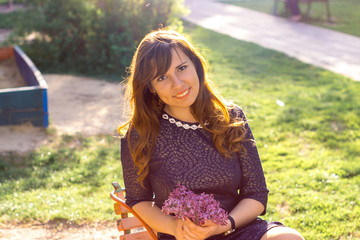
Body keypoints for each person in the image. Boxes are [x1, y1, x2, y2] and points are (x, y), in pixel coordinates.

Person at [118, 29, 304, 240]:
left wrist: (224, 224)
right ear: (150, 87)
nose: (178, 84)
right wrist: (177, 229)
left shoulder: (231, 117)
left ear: (196, 66)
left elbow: (256, 194)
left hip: (236, 228)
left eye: (181, 68)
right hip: (183, 236)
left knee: (289, 238)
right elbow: (138, 199)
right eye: (162, 77)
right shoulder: (141, 133)